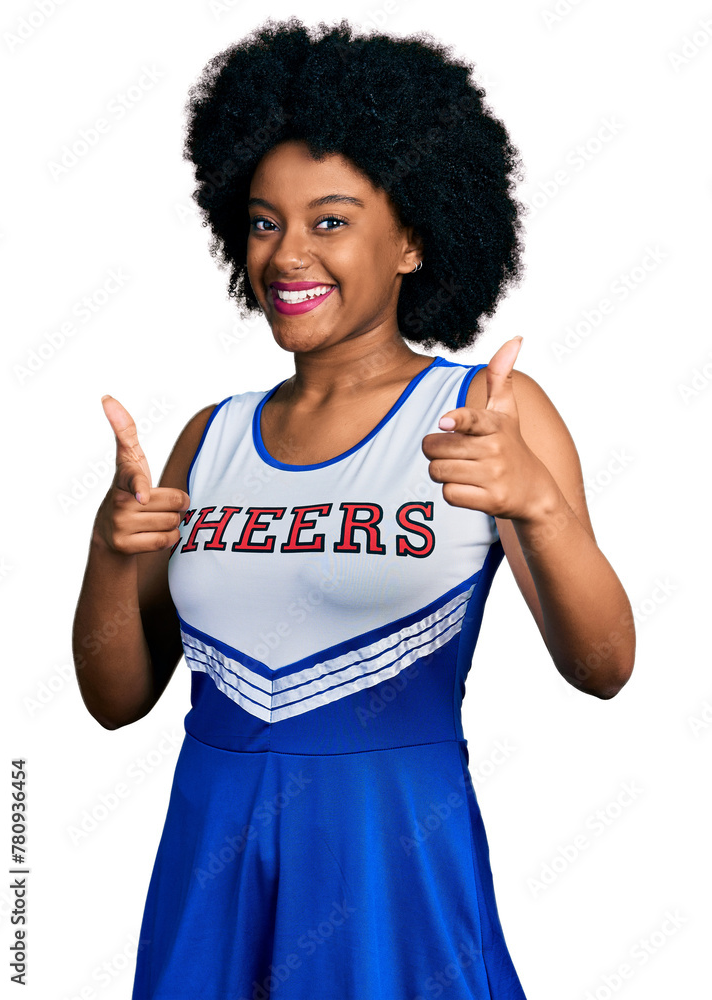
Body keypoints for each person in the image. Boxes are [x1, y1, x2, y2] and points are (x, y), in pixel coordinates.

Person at [72, 16, 635, 1000]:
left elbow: (604, 668)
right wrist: (108, 552)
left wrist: (537, 508)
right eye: (263, 220)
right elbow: (118, 701)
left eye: (329, 221)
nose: (288, 253)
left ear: (413, 238)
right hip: (212, 845)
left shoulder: (482, 413)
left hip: (391, 850)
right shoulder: (211, 434)